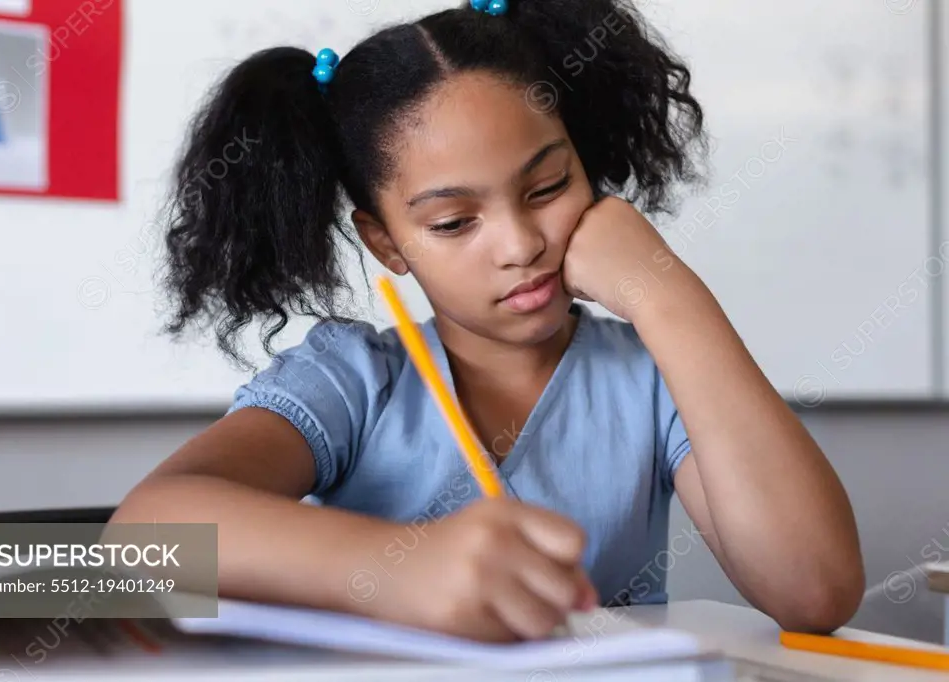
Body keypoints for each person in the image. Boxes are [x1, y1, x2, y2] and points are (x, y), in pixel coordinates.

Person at [112, 0, 865, 642]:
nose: (521, 244)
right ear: (386, 242)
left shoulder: (653, 375)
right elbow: (140, 546)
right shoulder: (351, 381)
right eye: (451, 223)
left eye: (547, 187)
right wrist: (397, 569)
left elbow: (815, 592)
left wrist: (667, 295)